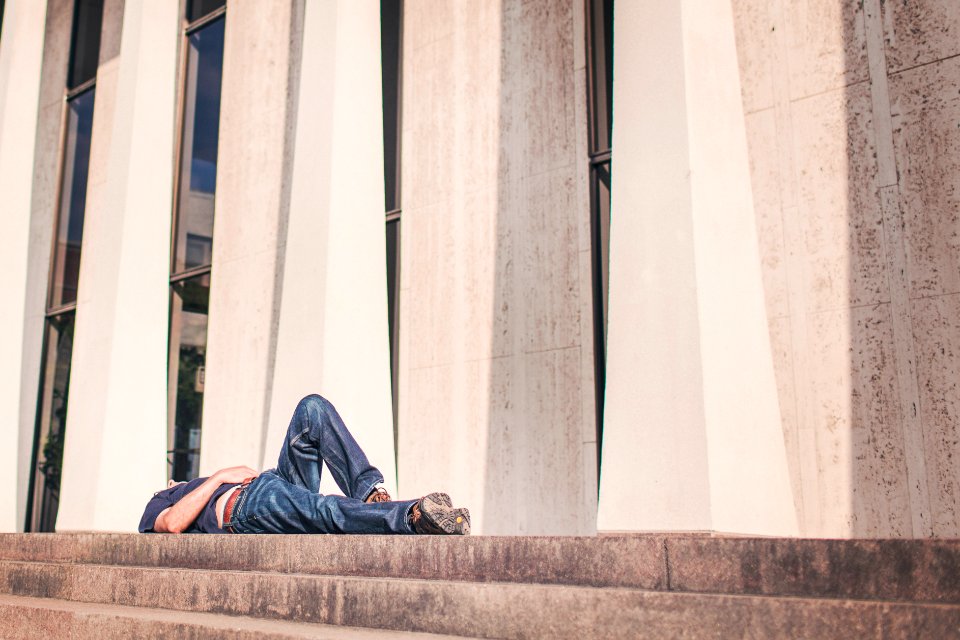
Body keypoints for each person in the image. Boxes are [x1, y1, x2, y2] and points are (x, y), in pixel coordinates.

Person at [139, 394, 470, 535]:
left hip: (271, 482)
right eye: (172, 482)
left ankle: (368, 491)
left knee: (312, 408)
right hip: (247, 508)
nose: (174, 481)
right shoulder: (163, 500)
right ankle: (412, 516)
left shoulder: (191, 489)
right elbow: (172, 525)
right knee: (322, 509)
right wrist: (220, 477)